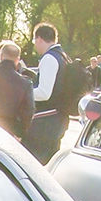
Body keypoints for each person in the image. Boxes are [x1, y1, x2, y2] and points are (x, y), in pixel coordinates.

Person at [23, 22, 70, 163]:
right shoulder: (63, 56)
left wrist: (23, 92)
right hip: (57, 120)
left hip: (44, 123)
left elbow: (44, 93)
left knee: (30, 165)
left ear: (39, 39)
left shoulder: (49, 58)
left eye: (34, 41)